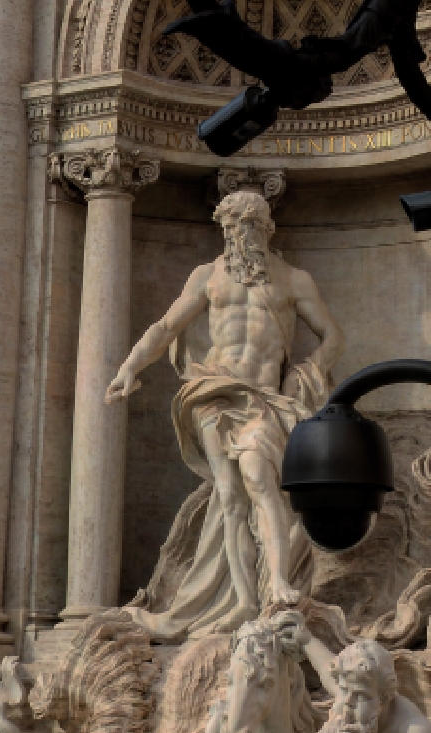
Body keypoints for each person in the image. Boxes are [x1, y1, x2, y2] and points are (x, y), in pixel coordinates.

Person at [112, 189, 342, 638]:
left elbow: (333, 336)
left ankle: (276, 581)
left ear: (268, 228)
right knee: (231, 499)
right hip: (214, 394)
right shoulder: (207, 277)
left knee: (260, 480)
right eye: (237, 226)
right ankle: (243, 600)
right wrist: (129, 367)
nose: (245, 234)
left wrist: (308, 372)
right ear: (224, 229)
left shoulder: (293, 279)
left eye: (254, 225)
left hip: (263, 399)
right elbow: (165, 327)